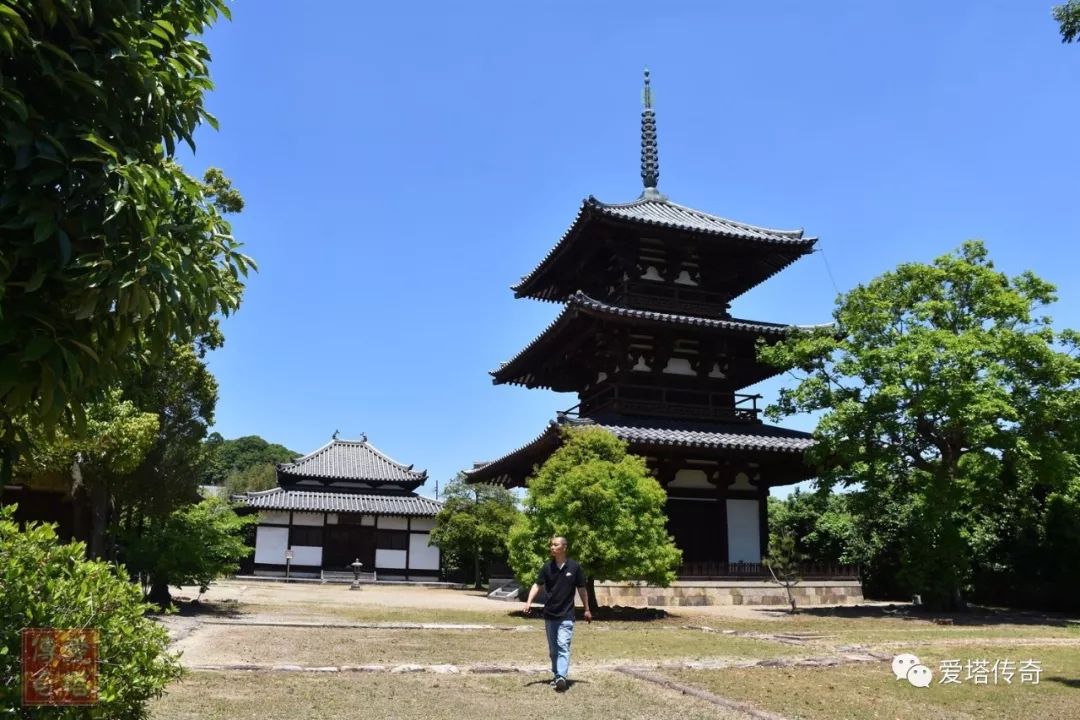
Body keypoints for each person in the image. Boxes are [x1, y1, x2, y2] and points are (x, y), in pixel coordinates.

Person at [522, 536, 591, 692]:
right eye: (551, 545)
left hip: (567, 615)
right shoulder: (547, 567)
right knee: (553, 650)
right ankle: (556, 675)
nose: (552, 547)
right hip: (550, 615)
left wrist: (587, 609)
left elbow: (582, 589)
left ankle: (561, 676)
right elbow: (537, 585)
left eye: (555, 545)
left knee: (563, 645)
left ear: (564, 547)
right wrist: (528, 602)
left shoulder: (574, 567)